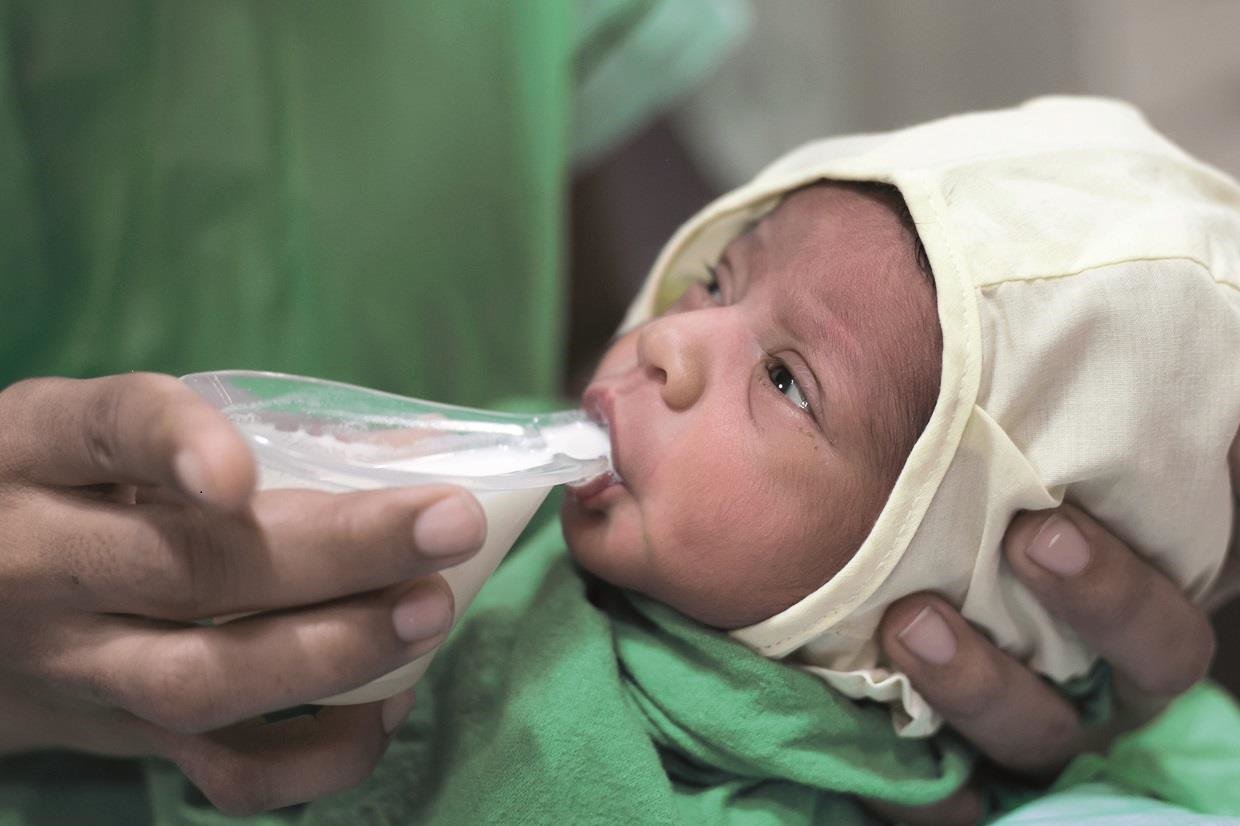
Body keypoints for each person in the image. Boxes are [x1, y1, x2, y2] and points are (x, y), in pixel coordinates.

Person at [0, 6, 1223, 818]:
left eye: (787, 380)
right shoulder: (514, 487)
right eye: (718, 278)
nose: (668, 340)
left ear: (928, 580)